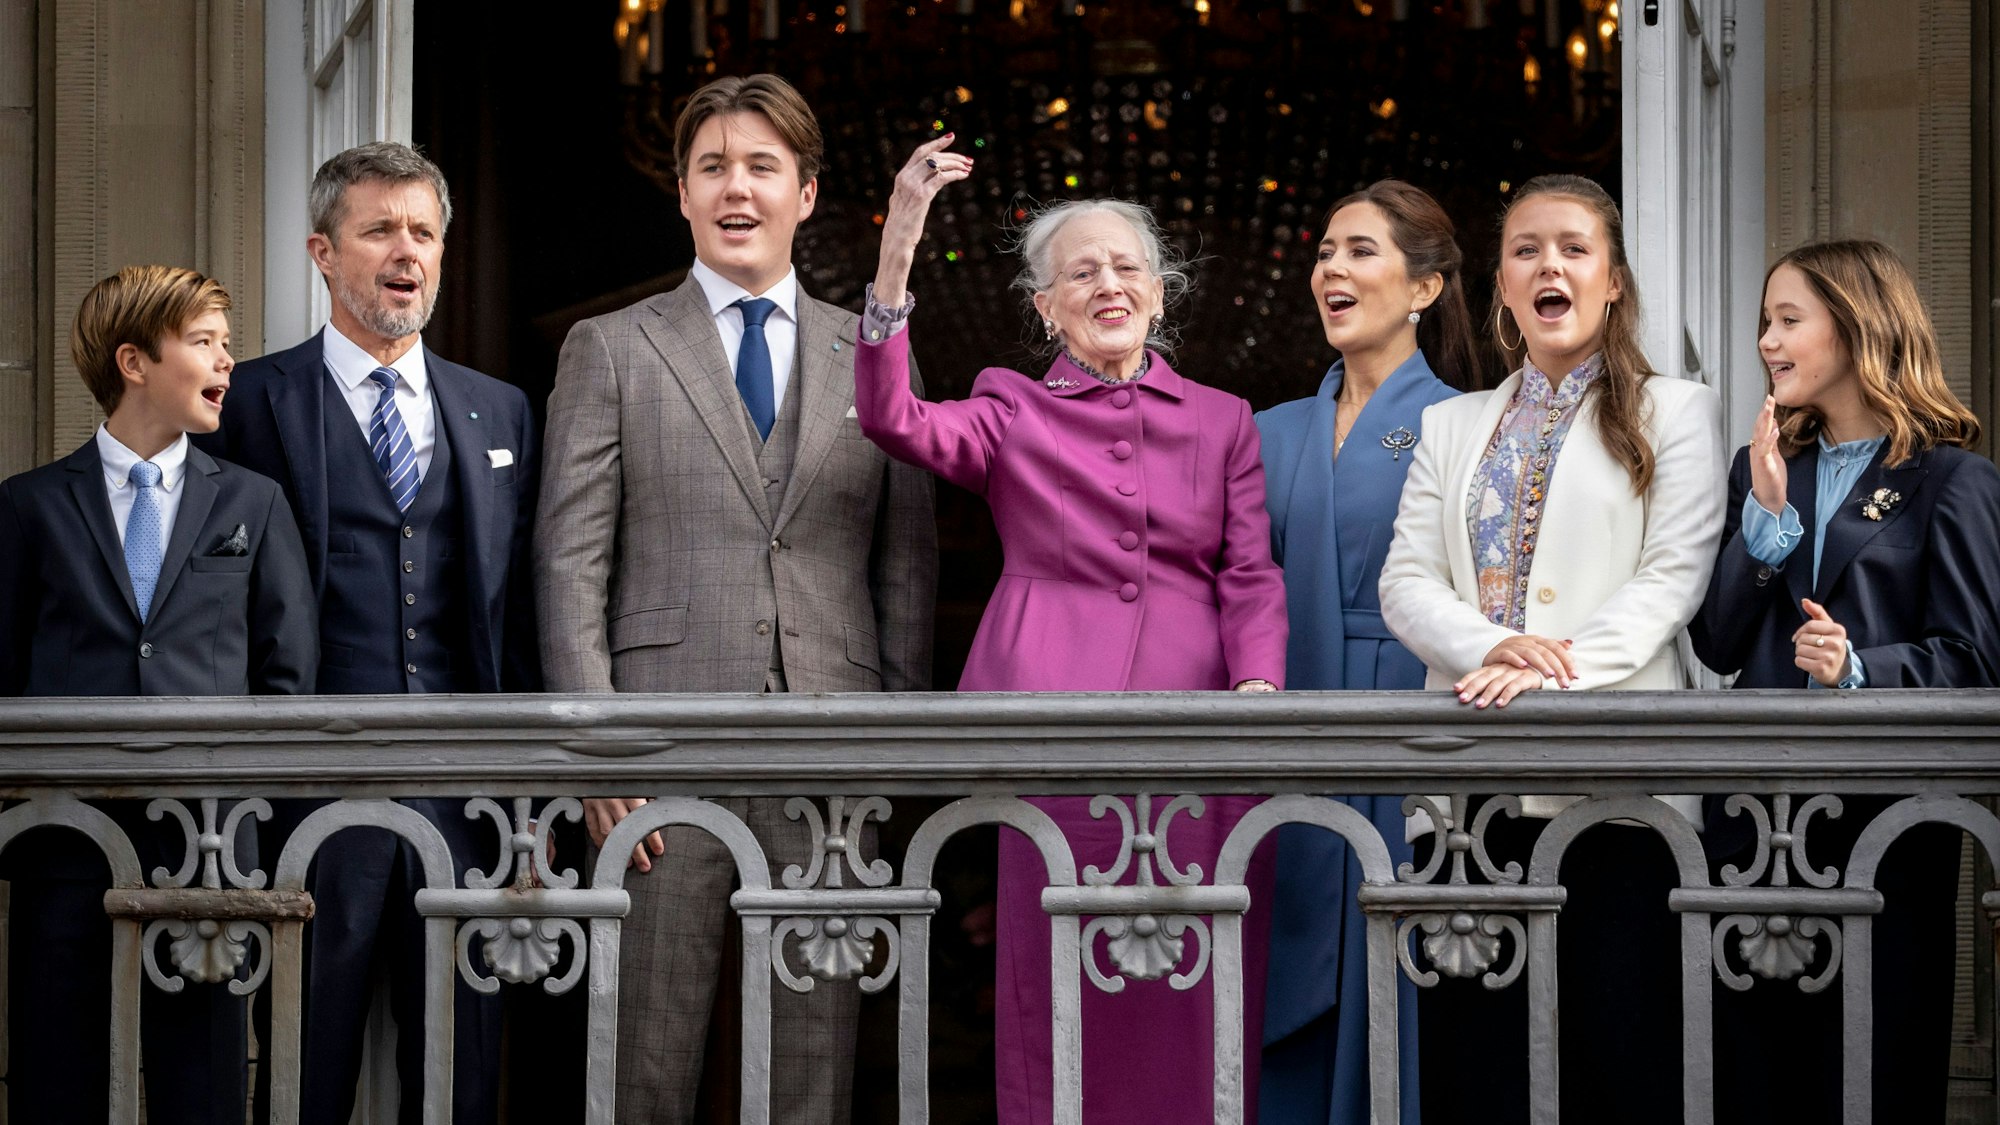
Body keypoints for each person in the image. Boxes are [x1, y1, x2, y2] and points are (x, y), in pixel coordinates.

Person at [852, 136, 1288, 1125]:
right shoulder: (1008, 407)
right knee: (1060, 985)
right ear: (1043, 307)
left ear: (1160, 294)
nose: (1108, 283)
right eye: (1079, 272)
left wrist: (1258, 683)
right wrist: (898, 251)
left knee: (1197, 975)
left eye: (1126, 266)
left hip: (1202, 734)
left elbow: (1249, 571)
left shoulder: (1222, 420)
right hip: (1048, 725)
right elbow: (892, 420)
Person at [535, 73, 936, 1124]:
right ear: (680, 193)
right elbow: (569, 559)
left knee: (813, 1065)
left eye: (761, 167)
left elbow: (904, 567)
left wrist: (894, 748)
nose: (736, 189)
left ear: (805, 193)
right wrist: (594, 743)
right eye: (712, 167)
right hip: (655, 755)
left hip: (831, 754)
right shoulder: (612, 348)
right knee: (643, 1063)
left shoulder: (874, 352)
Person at [197, 142, 540, 1124]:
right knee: (305, 1070)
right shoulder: (248, 403)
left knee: (462, 1079)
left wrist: (536, 790)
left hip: (465, 803)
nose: (407, 251)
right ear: (322, 251)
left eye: (423, 232)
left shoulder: (499, 408)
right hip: (306, 792)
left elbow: (516, 611)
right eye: (379, 229)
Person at [1377, 173, 1725, 1122]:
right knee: (1476, 1066)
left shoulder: (1678, 411)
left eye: (1573, 247)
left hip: (1616, 786)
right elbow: (1406, 581)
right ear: (1501, 282)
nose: (1549, 265)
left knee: (1621, 1057)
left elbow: (1671, 580)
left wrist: (1547, 668)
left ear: (1612, 280)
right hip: (1467, 790)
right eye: (1527, 249)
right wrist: (1500, 647)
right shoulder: (1449, 425)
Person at [1690, 239, 2000, 1123]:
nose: (1766, 341)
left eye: (1789, 320)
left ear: (1859, 327)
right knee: (1751, 1076)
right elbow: (1714, 641)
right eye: (1764, 323)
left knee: (1873, 1069)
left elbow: (1979, 659)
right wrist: (1769, 525)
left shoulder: (1952, 481)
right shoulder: (1763, 473)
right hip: (1753, 819)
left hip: (1884, 830)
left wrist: (1861, 666)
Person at [0, 265, 316, 1122]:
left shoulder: (254, 501)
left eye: (229, 343)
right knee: (54, 1073)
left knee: (204, 1081)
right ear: (134, 360)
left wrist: (255, 827)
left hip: (209, 845)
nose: (227, 362)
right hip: (65, 841)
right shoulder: (28, 508)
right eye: (206, 342)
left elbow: (288, 675)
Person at [1254, 179, 1477, 1124]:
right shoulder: (1265, 431)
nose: (1331, 269)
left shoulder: (1468, 424)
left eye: (1360, 250)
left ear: (1425, 287)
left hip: (1412, 733)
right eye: (1324, 252)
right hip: (1280, 734)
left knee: (1403, 985)